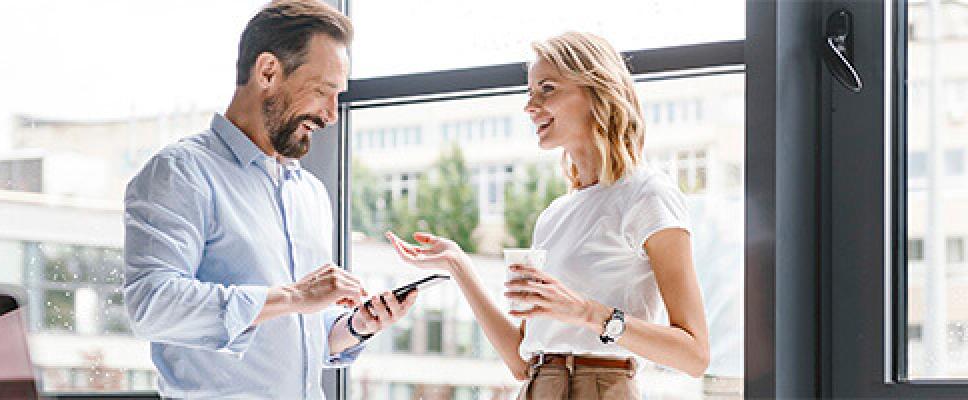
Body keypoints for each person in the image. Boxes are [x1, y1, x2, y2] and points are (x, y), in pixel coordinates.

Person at [387, 31, 709, 399]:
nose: (530, 106)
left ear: (596, 91)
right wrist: (460, 266)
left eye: (548, 89)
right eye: (530, 93)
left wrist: (587, 312)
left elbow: (694, 355)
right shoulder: (554, 216)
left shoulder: (648, 194)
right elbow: (521, 360)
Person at [123, 1, 417, 398]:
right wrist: (295, 296)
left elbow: (291, 339)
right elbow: (152, 306)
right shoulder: (181, 172)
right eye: (322, 92)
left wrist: (354, 326)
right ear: (267, 72)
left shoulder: (309, 193)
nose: (332, 115)